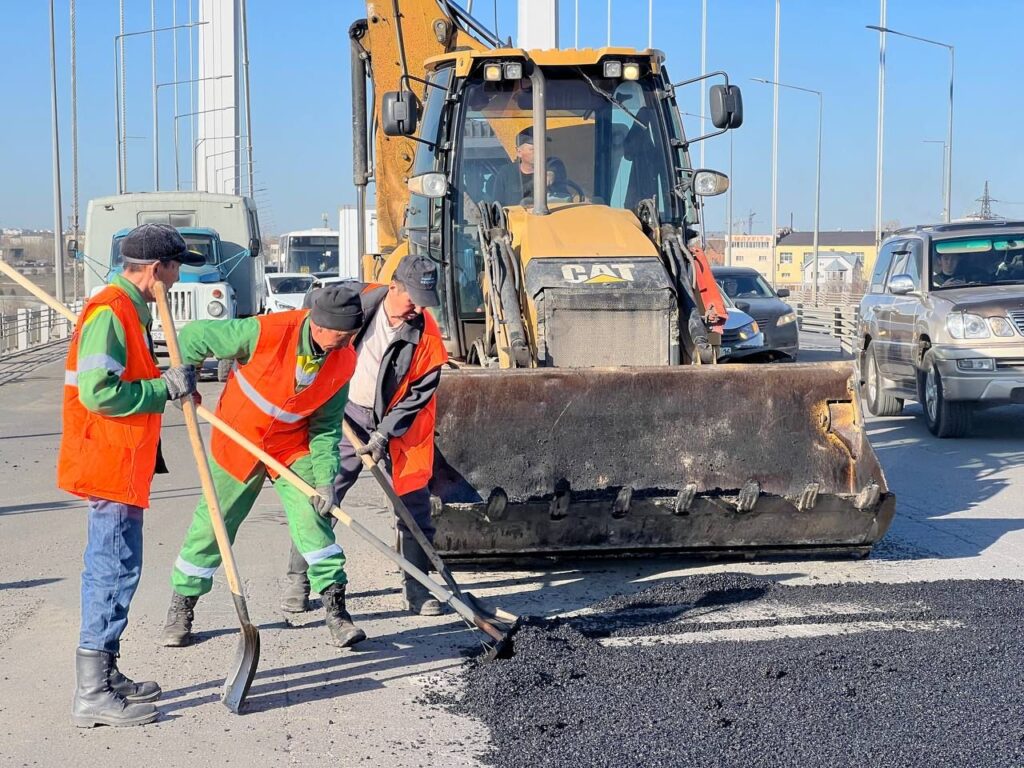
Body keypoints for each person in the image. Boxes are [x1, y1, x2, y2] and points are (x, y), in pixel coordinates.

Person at [160, 285, 367, 649]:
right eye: (342, 334)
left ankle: (336, 613)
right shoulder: (265, 332)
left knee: (313, 519)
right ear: (318, 325)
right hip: (238, 439)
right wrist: (185, 381)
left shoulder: (344, 359)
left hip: (289, 445)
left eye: (352, 335)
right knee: (213, 525)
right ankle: (181, 606)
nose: (347, 341)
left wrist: (324, 480)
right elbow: (193, 336)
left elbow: (325, 427)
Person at [59, 223, 204, 728]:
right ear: (155, 269)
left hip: (120, 463)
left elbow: (127, 380)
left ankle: (106, 673)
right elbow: (99, 393)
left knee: (119, 569)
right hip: (108, 463)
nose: (178, 274)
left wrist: (169, 384)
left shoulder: (128, 310)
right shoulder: (112, 312)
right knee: (111, 571)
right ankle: (93, 692)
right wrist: (162, 391)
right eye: (175, 265)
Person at [281, 255, 449, 617]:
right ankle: (299, 580)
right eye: (412, 299)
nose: (417, 308)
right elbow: (311, 314)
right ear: (393, 288)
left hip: (400, 423)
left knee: (413, 506)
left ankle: (418, 591)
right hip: (346, 412)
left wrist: (384, 434)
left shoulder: (426, 335)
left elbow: (419, 395)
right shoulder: (353, 303)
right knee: (321, 495)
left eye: (424, 300)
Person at [492, 126, 537, 206]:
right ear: (519, 152)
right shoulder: (506, 174)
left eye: (542, 147)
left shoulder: (553, 168)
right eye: (533, 149)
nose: (540, 152)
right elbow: (498, 206)